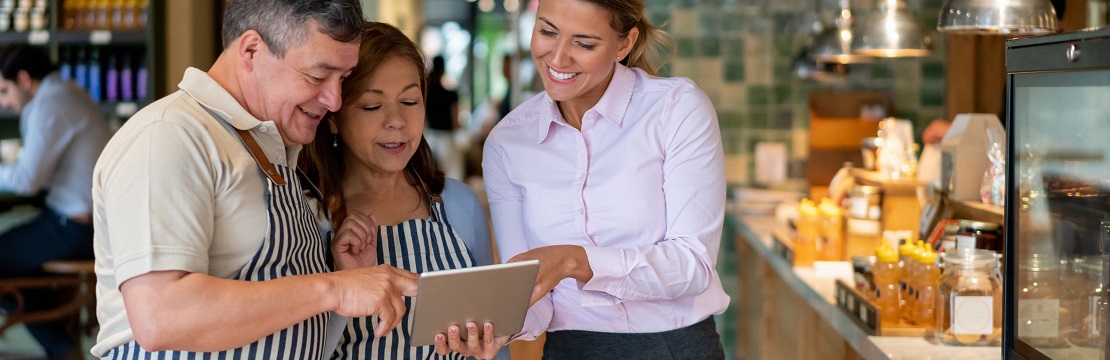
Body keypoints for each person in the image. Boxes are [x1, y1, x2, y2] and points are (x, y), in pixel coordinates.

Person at [91, 1, 420, 359]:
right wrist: (334, 288)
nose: (335, 100)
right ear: (251, 50)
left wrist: (340, 282)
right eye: (317, 76)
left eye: (341, 78)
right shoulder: (170, 137)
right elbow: (161, 316)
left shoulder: (275, 150)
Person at [481, 0, 730, 358]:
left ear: (624, 44)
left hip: (673, 345)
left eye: (584, 43)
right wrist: (496, 328)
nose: (558, 58)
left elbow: (692, 266)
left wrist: (574, 261)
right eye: (547, 31)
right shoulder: (508, 142)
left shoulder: (677, 109)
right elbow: (531, 294)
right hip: (571, 349)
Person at [306, 21, 507, 360]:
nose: (397, 120)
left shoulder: (458, 206)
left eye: (410, 101)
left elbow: (497, 341)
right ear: (333, 116)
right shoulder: (311, 216)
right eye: (372, 106)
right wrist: (343, 286)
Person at [0, 44, 111, 359]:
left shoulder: (52, 103)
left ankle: (61, 346)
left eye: (5, 90)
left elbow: (26, 180)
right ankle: (62, 337)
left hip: (76, 227)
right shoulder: (65, 94)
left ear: (23, 79)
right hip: (77, 220)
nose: (5, 102)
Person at [424, 55, 463, 180]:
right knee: (453, 176)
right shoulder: (450, 94)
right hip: (446, 139)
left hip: (429, 138)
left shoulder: (425, 93)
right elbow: (456, 123)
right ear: (444, 70)